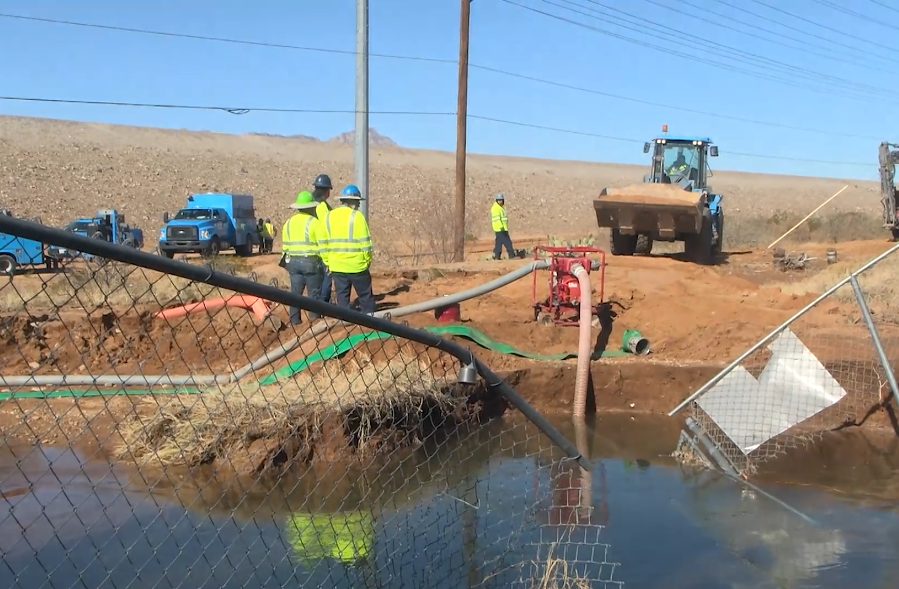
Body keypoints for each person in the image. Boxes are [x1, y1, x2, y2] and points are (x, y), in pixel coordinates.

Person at [322, 184, 375, 314]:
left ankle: (344, 323)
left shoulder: (328, 217)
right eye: (357, 202)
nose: (358, 205)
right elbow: (366, 244)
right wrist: (367, 260)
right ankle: (371, 322)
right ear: (352, 201)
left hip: (337, 266)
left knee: (342, 299)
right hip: (356, 266)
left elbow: (323, 243)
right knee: (365, 297)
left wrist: (327, 262)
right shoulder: (357, 217)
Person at [281, 191, 328, 326]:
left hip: (293, 262)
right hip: (311, 262)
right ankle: (314, 320)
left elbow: (286, 246)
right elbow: (323, 245)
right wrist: (327, 261)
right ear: (311, 207)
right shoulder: (314, 222)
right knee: (314, 293)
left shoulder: (288, 223)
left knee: (295, 293)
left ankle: (294, 321)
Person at [311, 173, 335, 303]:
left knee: (314, 282)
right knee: (327, 276)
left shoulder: (309, 203)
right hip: (322, 249)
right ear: (327, 190)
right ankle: (323, 304)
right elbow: (327, 227)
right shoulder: (322, 206)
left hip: (309, 249)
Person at [491, 193, 515, 260]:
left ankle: (497, 256)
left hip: (501, 228)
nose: (500, 201)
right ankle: (511, 255)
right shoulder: (496, 208)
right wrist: (501, 227)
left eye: (501, 200)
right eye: (499, 200)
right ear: (497, 200)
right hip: (500, 229)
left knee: (498, 242)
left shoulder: (499, 208)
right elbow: (497, 219)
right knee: (507, 242)